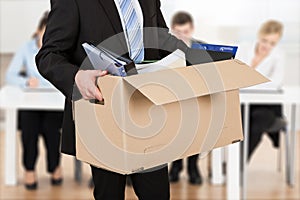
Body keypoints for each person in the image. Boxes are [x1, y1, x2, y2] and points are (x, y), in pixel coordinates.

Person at [36, 0, 232, 199]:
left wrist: (202, 61)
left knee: (157, 193)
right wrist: (76, 77)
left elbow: (162, 40)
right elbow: (48, 55)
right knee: (109, 193)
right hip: (103, 115)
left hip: (150, 112)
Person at [5, 11, 63, 190]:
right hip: (31, 101)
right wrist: (26, 81)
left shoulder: (60, 49)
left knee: (51, 130)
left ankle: (54, 167)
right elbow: (10, 75)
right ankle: (29, 169)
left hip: (53, 103)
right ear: (38, 31)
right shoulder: (26, 48)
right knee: (29, 127)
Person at [237, 20, 285, 161]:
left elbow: (276, 83)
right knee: (236, 120)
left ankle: (239, 164)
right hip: (242, 103)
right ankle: (233, 165)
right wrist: (261, 82)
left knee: (258, 121)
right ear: (259, 36)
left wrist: (247, 83)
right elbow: (235, 77)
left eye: (272, 43)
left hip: (267, 106)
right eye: (265, 40)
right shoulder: (244, 49)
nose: (267, 46)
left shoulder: (278, 55)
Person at [168, 11, 203, 185]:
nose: (182, 36)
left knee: (195, 124)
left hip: (196, 101)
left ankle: (192, 166)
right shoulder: (164, 50)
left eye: (186, 32)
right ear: (172, 31)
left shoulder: (202, 48)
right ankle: (176, 165)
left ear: (192, 29)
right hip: (172, 101)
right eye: (178, 32)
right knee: (175, 125)